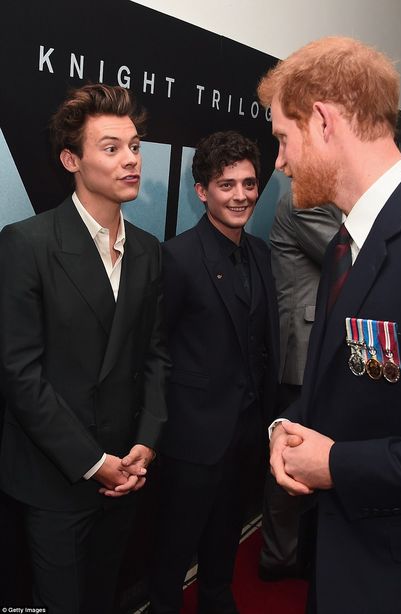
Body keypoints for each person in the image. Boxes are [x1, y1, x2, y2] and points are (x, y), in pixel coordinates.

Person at [257, 36, 401, 614]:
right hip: (342, 562)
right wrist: (286, 425)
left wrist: (336, 466)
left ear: (323, 121)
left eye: (283, 137)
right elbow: (340, 385)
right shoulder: (343, 246)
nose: (279, 161)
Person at [0, 83, 170, 614]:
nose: (131, 161)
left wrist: (146, 442)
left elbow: (156, 356)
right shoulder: (27, 244)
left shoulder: (148, 251)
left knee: (103, 598)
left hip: (125, 473)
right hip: (59, 477)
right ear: (71, 159)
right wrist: (93, 462)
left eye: (136, 146)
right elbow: (19, 374)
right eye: (112, 147)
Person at [149, 130, 279, 614]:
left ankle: (217, 601)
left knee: (224, 543)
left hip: (245, 434)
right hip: (192, 439)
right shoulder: (178, 258)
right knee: (172, 552)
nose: (241, 195)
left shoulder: (262, 254)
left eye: (248, 183)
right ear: (202, 191)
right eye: (227, 185)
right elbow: (155, 350)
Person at [259, 191, 340, 580]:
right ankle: (279, 558)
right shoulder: (303, 198)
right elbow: (348, 255)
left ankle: (297, 553)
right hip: (302, 350)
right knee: (288, 459)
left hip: (321, 347)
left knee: (309, 458)